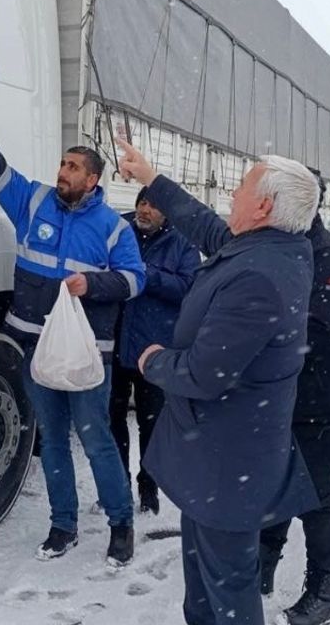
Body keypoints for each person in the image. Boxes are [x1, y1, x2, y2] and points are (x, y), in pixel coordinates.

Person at [116, 137, 321, 625]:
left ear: (265, 205)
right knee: (206, 583)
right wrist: (151, 179)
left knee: (227, 588)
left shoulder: (260, 276)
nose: (232, 192)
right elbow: (205, 224)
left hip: (227, 463)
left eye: (241, 186)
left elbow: (205, 375)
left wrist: (153, 361)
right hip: (221, 458)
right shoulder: (270, 248)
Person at [0, 91, 145, 567]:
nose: (63, 173)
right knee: (51, 440)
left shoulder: (114, 227)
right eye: (62, 164)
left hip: (85, 355)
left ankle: (121, 524)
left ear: (93, 180)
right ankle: (63, 525)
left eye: (74, 168)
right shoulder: (32, 202)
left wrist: (91, 284)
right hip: (34, 348)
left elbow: (137, 280)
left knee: (95, 440)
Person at [258, 172, 330, 625]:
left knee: (315, 497)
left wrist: (252, 327)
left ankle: (324, 588)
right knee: (274, 483)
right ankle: (263, 564)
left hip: (325, 398)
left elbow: (320, 330)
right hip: (285, 395)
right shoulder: (278, 248)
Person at [111, 186, 200, 516]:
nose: (144, 210)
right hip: (116, 344)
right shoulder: (120, 230)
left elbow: (189, 288)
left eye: (153, 206)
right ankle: (117, 484)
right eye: (142, 203)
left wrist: (145, 275)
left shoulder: (182, 243)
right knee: (112, 420)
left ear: (168, 213)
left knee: (152, 425)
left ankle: (148, 488)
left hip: (156, 351)